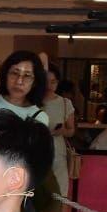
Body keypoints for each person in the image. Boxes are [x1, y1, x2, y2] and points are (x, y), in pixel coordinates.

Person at [39, 67, 76, 202]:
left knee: (60, 197)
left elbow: (71, 131)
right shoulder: (33, 102)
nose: (50, 86)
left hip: (58, 154)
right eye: (46, 81)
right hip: (37, 153)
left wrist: (62, 131)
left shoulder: (65, 103)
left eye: (53, 82)